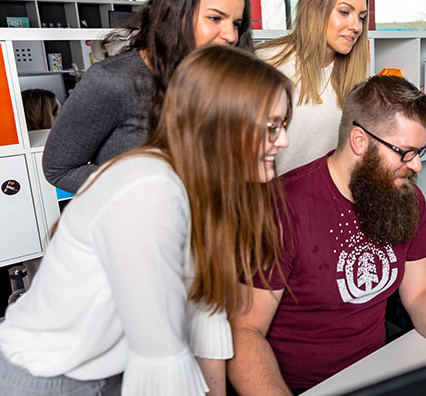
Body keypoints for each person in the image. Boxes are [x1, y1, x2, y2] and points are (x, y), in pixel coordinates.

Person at [0, 45, 292, 396]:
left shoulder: (208, 192)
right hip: (48, 378)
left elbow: (204, 313)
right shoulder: (150, 189)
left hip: (113, 370)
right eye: (272, 126)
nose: (284, 141)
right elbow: (160, 358)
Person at [228, 75, 426, 394]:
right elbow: (245, 333)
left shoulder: (406, 198)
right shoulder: (280, 208)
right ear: (360, 141)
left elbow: (421, 294)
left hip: (377, 372)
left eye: (420, 150)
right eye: (406, 152)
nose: (417, 165)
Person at [43, 0, 253, 193]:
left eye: (236, 23)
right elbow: (59, 169)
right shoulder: (112, 81)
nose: (231, 36)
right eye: (215, 18)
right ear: (175, 14)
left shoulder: (217, 78)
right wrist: (147, 187)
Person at [256, 0, 370, 175]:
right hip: (276, 200)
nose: (356, 26)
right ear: (316, 8)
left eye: (361, 17)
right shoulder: (266, 63)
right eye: (345, 12)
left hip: (329, 200)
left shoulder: (358, 75)